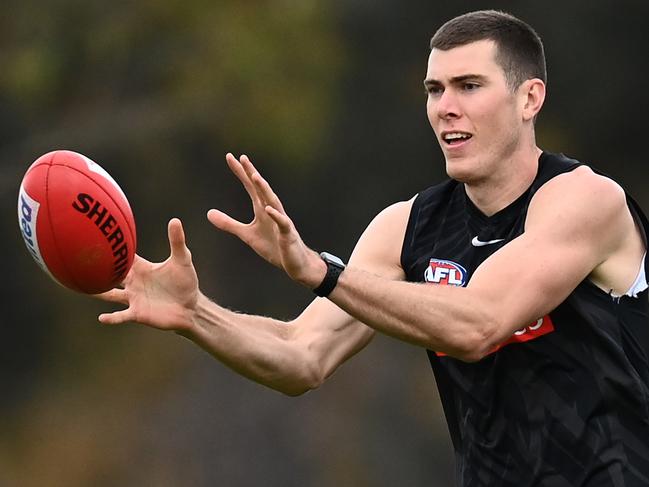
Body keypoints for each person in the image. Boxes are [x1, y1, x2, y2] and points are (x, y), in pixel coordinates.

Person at [98, 10, 649, 486]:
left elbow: (480, 324)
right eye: (434, 90)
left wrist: (322, 271)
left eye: (469, 86)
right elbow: (300, 355)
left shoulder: (586, 200)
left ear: (530, 98)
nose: (444, 108)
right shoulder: (407, 228)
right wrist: (197, 315)